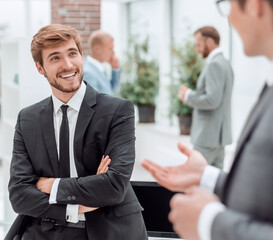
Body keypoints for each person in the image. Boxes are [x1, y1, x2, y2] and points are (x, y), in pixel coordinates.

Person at [142, 0, 273, 239]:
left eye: (229, 5)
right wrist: (208, 177)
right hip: (217, 135)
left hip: (209, 134)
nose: (230, 18)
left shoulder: (215, 65)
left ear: (255, 6)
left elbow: (211, 100)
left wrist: (209, 222)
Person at [5, 24, 148, 240]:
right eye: (55, 58)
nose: (68, 64)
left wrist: (52, 185)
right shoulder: (27, 119)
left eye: (72, 53)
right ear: (40, 67)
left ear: (82, 56)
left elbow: (113, 186)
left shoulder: (118, 111)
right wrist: (75, 207)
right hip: (45, 229)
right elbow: (19, 195)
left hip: (108, 229)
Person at [178, 26, 234, 168]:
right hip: (218, 138)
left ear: (209, 42)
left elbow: (212, 100)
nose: (197, 49)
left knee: (192, 179)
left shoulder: (214, 64)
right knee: (212, 185)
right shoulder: (225, 63)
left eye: (198, 45)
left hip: (207, 138)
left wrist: (188, 96)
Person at [83, 30, 121, 95]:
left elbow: (112, 91)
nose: (113, 53)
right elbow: (93, 102)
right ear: (97, 49)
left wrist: (115, 69)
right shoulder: (89, 73)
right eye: (110, 49)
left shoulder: (98, 67)